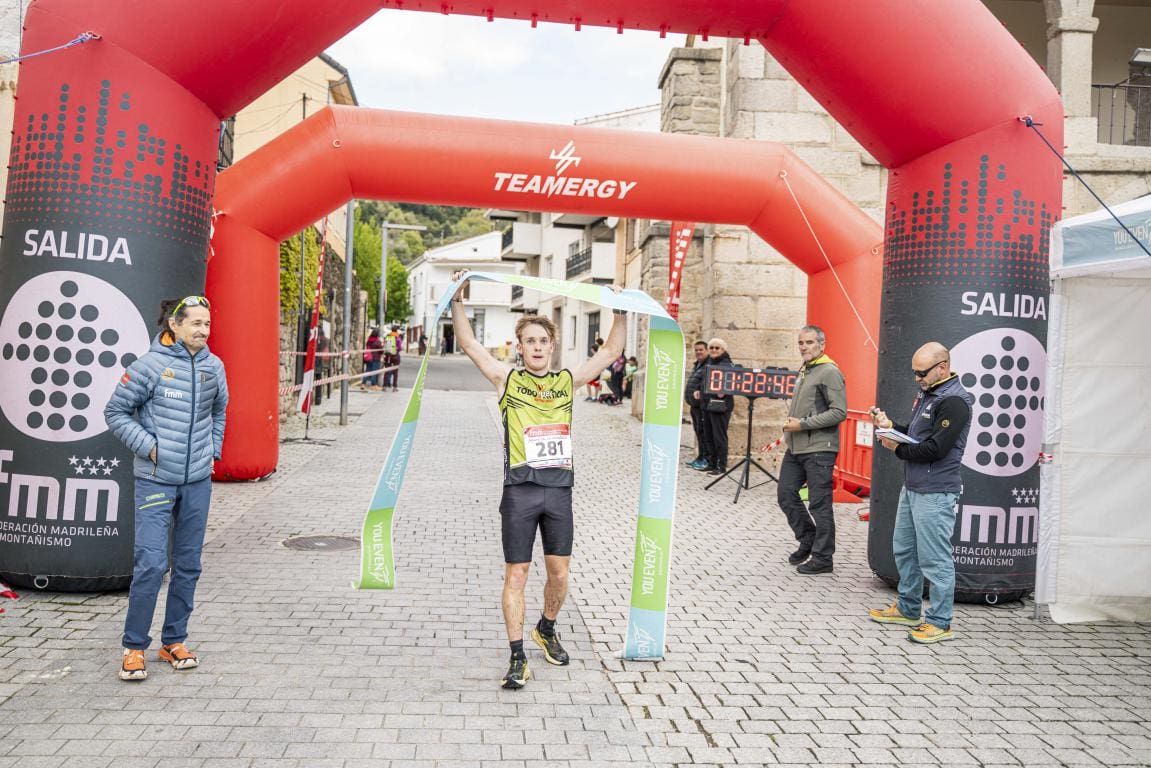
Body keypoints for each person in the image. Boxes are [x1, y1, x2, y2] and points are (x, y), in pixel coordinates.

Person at [450, 271, 625, 690]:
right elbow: (470, 344)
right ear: (520, 346)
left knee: (560, 575)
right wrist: (458, 299)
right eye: (530, 341)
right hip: (520, 491)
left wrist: (619, 310)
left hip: (559, 490)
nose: (537, 347)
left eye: (543, 341)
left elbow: (611, 350)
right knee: (517, 575)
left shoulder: (567, 382)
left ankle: (546, 628)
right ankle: (517, 657)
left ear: (552, 345)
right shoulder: (506, 379)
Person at [104, 296, 229, 682]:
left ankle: (173, 640)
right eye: (196, 323)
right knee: (152, 564)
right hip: (155, 480)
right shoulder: (148, 366)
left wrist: (214, 451)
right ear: (174, 325)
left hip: (197, 481)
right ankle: (134, 647)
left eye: (207, 324)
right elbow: (115, 412)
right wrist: (150, 448)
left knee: (188, 565)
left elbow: (220, 410)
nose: (204, 330)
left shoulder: (214, 367)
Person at [868, 341, 973, 644]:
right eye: (914, 372)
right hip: (914, 487)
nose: (917, 378)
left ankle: (940, 622)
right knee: (904, 550)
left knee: (935, 560)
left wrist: (896, 448)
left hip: (936, 491)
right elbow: (916, 438)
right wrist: (890, 426)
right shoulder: (929, 394)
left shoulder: (955, 402)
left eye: (922, 373)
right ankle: (908, 608)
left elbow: (936, 449)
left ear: (942, 367)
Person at [777, 325, 848, 575]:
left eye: (809, 342)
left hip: (819, 449)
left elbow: (839, 412)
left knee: (819, 504)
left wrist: (803, 424)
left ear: (821, 344)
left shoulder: (829, 371)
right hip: (796, 447)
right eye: (801, 342)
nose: (804, 347)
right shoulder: (807, 369)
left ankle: (823, 557)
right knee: (786, 494)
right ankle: (808, 539)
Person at [700, 338, 735, 476]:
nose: (714, 350)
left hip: (720, 405)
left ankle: (721, 465)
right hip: (708, 404)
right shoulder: (710, 362)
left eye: (717, 348)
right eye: (712, 347)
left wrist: (723, 391)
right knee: (709, 435)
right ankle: (712, 463)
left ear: (723, 350)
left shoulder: (726, 364)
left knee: (719, 436)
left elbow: (730, 382)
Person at [683, 341, 710, 470]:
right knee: (698, 432)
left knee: (703, 433)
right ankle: (700, 457)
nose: (698, 352)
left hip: (702, 406)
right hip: (694, 405)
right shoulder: (698, 365)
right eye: (696, 350)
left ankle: (705, 459)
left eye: (701, 350)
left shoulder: (708, 365)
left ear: (707, 351)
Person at [382, 325, 403, 392]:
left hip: (388, 356)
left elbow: (384, 345)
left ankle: (384, 386)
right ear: (396, 330)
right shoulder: (398, 337)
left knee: (386, 371)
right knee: (395, 372)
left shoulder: (388, 336)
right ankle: (394, 387)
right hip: (395, 356)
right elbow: (400, 348)